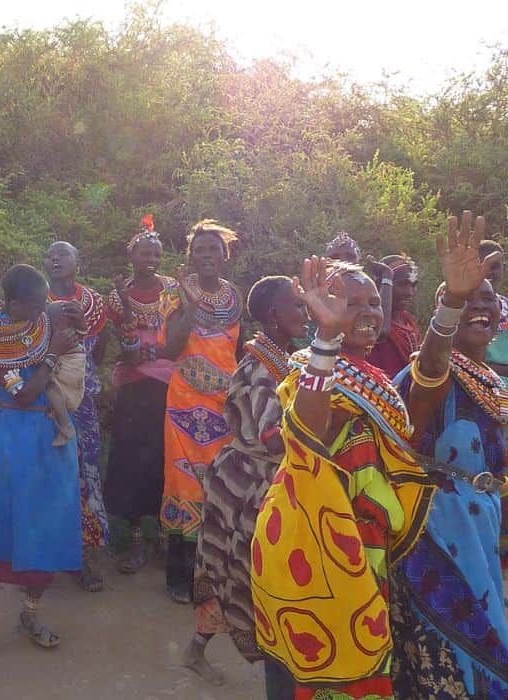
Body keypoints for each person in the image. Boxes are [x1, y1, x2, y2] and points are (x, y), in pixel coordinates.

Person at [251, 256, 435, 700]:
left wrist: (447, 313)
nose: (369, 312)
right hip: (311, 546)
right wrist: (328, 336)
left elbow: (414, 431)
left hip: (362, 544)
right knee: (318, 666)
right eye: (351, 303)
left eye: (374, 302)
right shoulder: (308, 371)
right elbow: (307, 429)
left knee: (355, 661)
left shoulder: (376, 381)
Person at [389, 213, 508, 696]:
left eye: (488, 299)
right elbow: (433, 364)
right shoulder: (431, 374)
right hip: (435, 538)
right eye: (467, 301)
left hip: (484, 534)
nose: (481, 307)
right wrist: (453, 301)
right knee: (454, 662)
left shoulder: (494, 383)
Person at [182, 276, 308, 688]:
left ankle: (202, 649)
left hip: (259, 478)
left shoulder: (282, 360)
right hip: (248, 482)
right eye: (298, 307)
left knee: (238, 568)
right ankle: (201, 649)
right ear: (274, 315)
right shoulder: (259, 367)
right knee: (233, 567)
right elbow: (273, 436)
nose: (305, 314)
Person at [0, 264, 82, 667]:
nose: (44, 309)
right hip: (12, 439)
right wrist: (54, 354)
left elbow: (81, 329)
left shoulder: (41, 324)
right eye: (36, 303)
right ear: (13, 304)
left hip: (51, 441)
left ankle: (29, 612)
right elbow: (26, 394)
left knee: (46, 527)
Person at [160, 220, 242, 604]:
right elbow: (171, 348)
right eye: (200, 250)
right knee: (183, 482)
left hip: (223, 405)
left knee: (216, 483)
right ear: (191, 256)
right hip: (185, 405)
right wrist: (190, 307)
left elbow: (235, 352)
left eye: (214, 249)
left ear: (225, 257)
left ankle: (211, 573)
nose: (206, 255)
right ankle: (178, 574)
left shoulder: (234, 297)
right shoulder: (175, 294)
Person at [103, 216, 177, 575]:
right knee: (131, 459)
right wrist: (128, 310)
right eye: (145, 251)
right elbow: (128, 350)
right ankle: (133, 538)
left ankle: (161, 534)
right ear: (132, 256)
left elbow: (178, 343)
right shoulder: (118, 296)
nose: (151, 257)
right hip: (133, 386)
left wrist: (154, 355)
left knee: (164, 457)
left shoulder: (175, 290)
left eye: (156, 252)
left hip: (169, 385)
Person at [44, 240, 111, 591]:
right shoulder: (36, 303)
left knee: (85, 471)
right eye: (50, 255)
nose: (55, 259)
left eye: (63, 254)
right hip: (44, 402)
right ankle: (43, 555)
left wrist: (85, 330)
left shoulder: (94, 303)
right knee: (50, 472)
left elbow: (99, 351)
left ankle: (81, 555)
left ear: (77, 262)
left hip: (82, 402)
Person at [367, 254, 421, 378]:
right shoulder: (370, 322)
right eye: (402, 284)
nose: (409, 292)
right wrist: (386, 276)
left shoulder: (408, 321)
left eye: (413, 285)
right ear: (381, 285)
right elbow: (381, 332)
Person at [44, 299, 86, 446]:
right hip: (68, 362)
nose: (54, 326)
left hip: (71, 364)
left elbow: (56, 354)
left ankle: (66, 426)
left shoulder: (66, 335)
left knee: (50, 386)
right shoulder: (62, 332)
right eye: (51, 322)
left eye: (58, 322)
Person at [479, 239, 508, 381]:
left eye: (495, 266)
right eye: (483, 265)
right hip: (478, 393)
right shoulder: (464, 308)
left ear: (504, 269)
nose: (489, 272)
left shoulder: (506, 306)